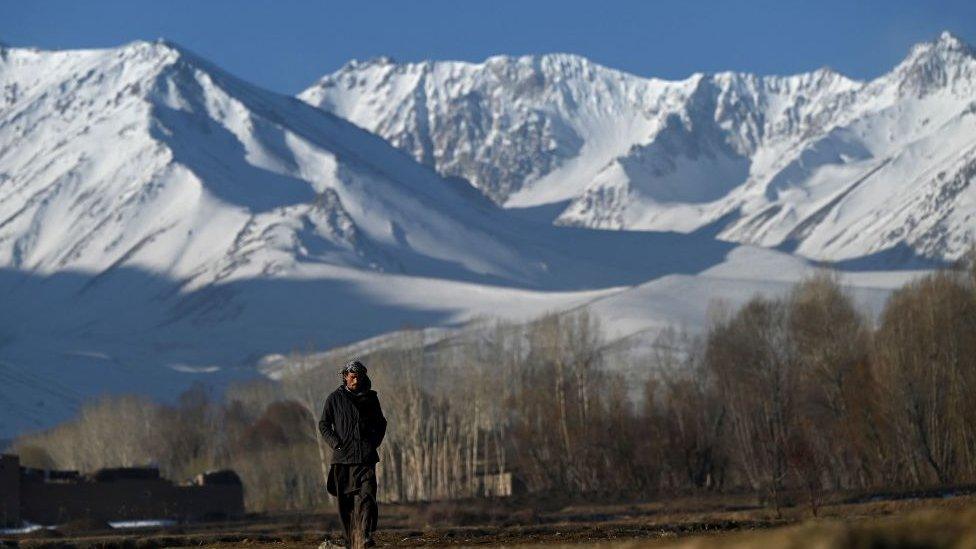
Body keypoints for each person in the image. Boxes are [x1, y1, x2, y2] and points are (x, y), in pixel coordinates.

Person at [319, 360, 387, 548]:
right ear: (345, 377)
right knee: (345, 504)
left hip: (366, 457)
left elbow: (381, 423)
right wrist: (335, 443)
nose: (356, 380)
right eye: (352, 376)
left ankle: (365, 536)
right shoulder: (334, 399)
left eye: (359, 376)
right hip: (343, 458)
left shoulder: (371, 398)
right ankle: (351, 540)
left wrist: (373, 443)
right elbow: (324, 424)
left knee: (368, 496)